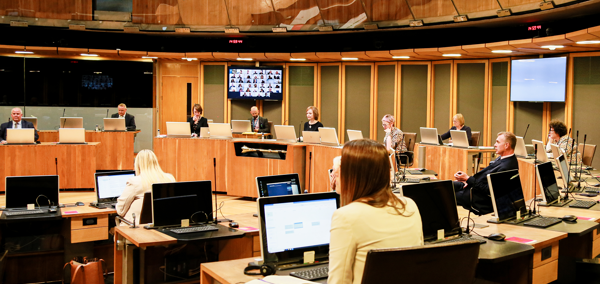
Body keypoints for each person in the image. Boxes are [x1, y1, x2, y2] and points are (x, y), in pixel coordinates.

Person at [328, 139, 423, 284]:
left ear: (354, 174)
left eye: (339, 170)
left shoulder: (346, 217)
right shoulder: (410, 206)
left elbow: (338, 281)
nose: (335, 175)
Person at [453, 132, 519, 215]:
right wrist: (467, 180)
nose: (495, 145)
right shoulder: (504, 158)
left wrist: (468, 179)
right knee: (446, 185)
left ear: (506, 145)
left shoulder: (507, 167)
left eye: (498, 142)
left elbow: (489, 190)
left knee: (443, 194)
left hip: (480, 197)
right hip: (474, 187)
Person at [116, 149, 175, 225]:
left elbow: (120, 211)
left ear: (138, 164)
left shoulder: (135, 182)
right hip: (162, 226)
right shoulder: (170, 178)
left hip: (136, 229)